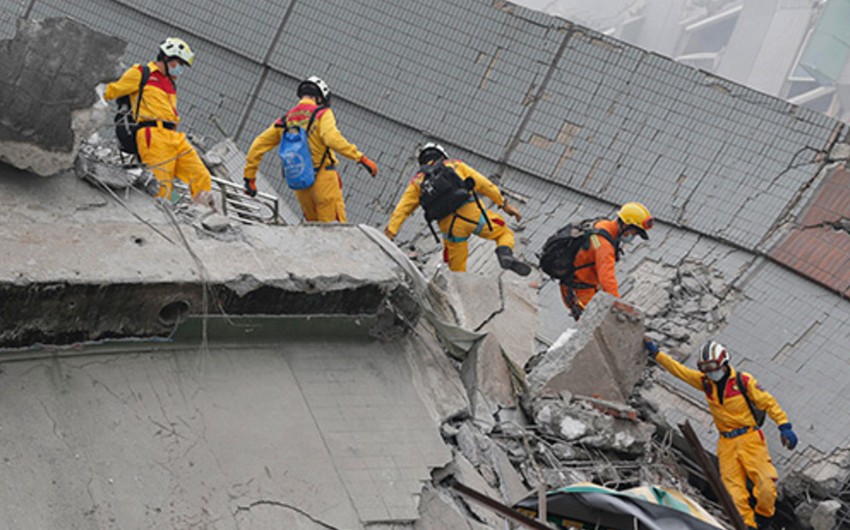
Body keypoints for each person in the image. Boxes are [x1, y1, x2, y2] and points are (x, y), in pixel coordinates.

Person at [645, 339, 798, 530]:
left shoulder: (744, 381)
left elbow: (769, 403)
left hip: (750, 439)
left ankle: (764, 517)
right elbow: (680, 372)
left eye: (712, 367)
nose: (709, 372)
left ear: (724, 362)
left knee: (766, 483)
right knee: (733, 492)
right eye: (705, 369)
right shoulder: (707, 383)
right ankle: (748, 525)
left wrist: (784, 426)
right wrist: (657, 354)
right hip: (726, 443)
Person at [243, 76, 377, 222]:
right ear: (320, 98)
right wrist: (359, 157)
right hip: (324, 179)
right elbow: (331, 138)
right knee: (335, 232)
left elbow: (258, 145)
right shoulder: (322, 114)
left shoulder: (286, 119)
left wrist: (250, 177)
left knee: (313, 232)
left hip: (301, 182)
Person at [384, 143, 531, 276]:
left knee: (457, 270)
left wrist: (390, 232)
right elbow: (484, 184)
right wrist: (503, 204)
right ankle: (504, 254)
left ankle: (460, 293)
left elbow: (402, 210)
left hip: (450, 228)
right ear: (442, 155)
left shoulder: (417, 181)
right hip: (473, 215)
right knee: (504, 233)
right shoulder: (455, 164)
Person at [104, 38, 213, 206]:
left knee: (200, 176)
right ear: (168, 58)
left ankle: (204, 216)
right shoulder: (142, 72)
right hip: (152, 135)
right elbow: (111, 91)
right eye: (180, 63)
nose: (180, 69)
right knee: (162, 186)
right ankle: (158, 220)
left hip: (174, 137)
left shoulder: (170, 83)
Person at [560, 202, 653, 319]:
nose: (633, 236)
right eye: (634, 232)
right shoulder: (604, 246)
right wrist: (619, 305)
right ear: (625, 225)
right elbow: (607, 279)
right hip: (580, 289)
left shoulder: (604, 225)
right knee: (591, 321)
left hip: (583, 283)